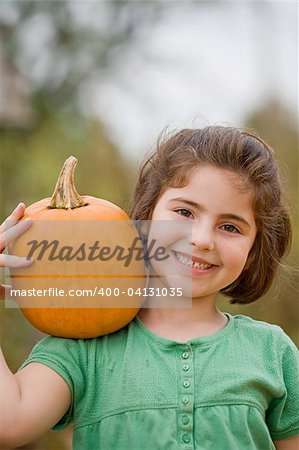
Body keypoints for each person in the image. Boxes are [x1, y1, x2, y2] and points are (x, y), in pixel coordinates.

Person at [0, 126, 298, 450]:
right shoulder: (84, 348)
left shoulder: (272, 352)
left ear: (255, 247)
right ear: (147, 214)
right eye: (184, 212)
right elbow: (9, 423)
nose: (201, 239)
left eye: (230, 227)